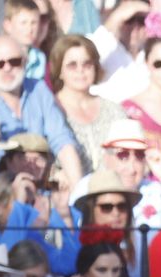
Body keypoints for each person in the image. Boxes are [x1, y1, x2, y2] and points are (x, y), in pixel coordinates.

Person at [0, 34, 86, 185]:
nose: (7, 68)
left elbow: (61, 140)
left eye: (14, 61)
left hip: (40, 181)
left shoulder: (39, 90)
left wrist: (77, 188)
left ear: (25, 62)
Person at [50, 34, 127, 175]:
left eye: (87, 64)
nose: (80, 70)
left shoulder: (114, 110)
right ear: (59, 70)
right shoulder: (50, 109)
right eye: (72, 65)